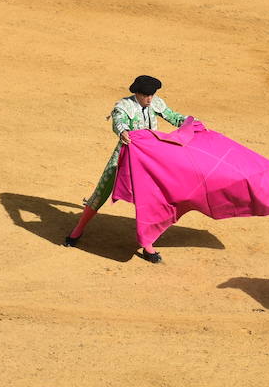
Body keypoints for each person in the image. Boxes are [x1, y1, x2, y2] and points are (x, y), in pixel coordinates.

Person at [65, 75, 189, 263]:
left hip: (149, 160)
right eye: (146, 95)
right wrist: (122, 131)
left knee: (149, 200)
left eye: (152, 95)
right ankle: (78, 229)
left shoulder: (155, 103)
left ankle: (147, 244)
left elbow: (173, 117)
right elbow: (119, 122)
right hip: (123, 157)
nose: (150, 99)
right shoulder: (123, 107)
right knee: (101, 191)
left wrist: (190, 123)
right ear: (137, 94)